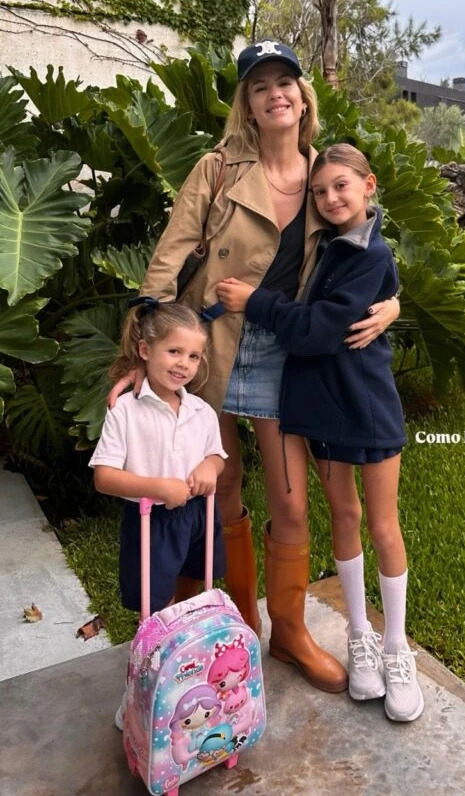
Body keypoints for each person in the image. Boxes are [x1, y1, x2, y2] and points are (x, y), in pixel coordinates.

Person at [109, 40, 400, 694]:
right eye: (260, 84)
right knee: (221, 489)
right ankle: (237, 625)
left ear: (303, 96)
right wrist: (139, 355)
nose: (276, 93)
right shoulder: (217, 170)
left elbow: (367, 250)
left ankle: (290, 632)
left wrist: (394, 304)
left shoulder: (326, 172)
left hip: (289, 353)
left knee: (291, 504)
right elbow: (167, 259)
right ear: (247, 99)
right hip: (208, 348)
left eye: (286, 82)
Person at [216, 144, 424, 722]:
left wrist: (255, 301)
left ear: (369, 185)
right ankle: (359, 637)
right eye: (320, 191)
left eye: (341, 187)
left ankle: (396, 645)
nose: (330, 198)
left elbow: (320, 328)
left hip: (367, 405)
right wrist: (393, 303)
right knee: (346, 517)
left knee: (383, 524)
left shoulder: (367, 252)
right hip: (321, 407)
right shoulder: (328, 245)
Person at [90, 301, 227, 727]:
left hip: (197, 517)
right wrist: (157, 487)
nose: (184, 364)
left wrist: (210, 466)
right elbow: (105, 476)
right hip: (151, 520)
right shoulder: (126, 410)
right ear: (145, 350)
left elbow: (215, 455)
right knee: (152, 608)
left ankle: (186, 673)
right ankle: (141, 688)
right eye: (174, 352)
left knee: (196, 593)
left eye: (193, 356)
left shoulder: (200, 410)